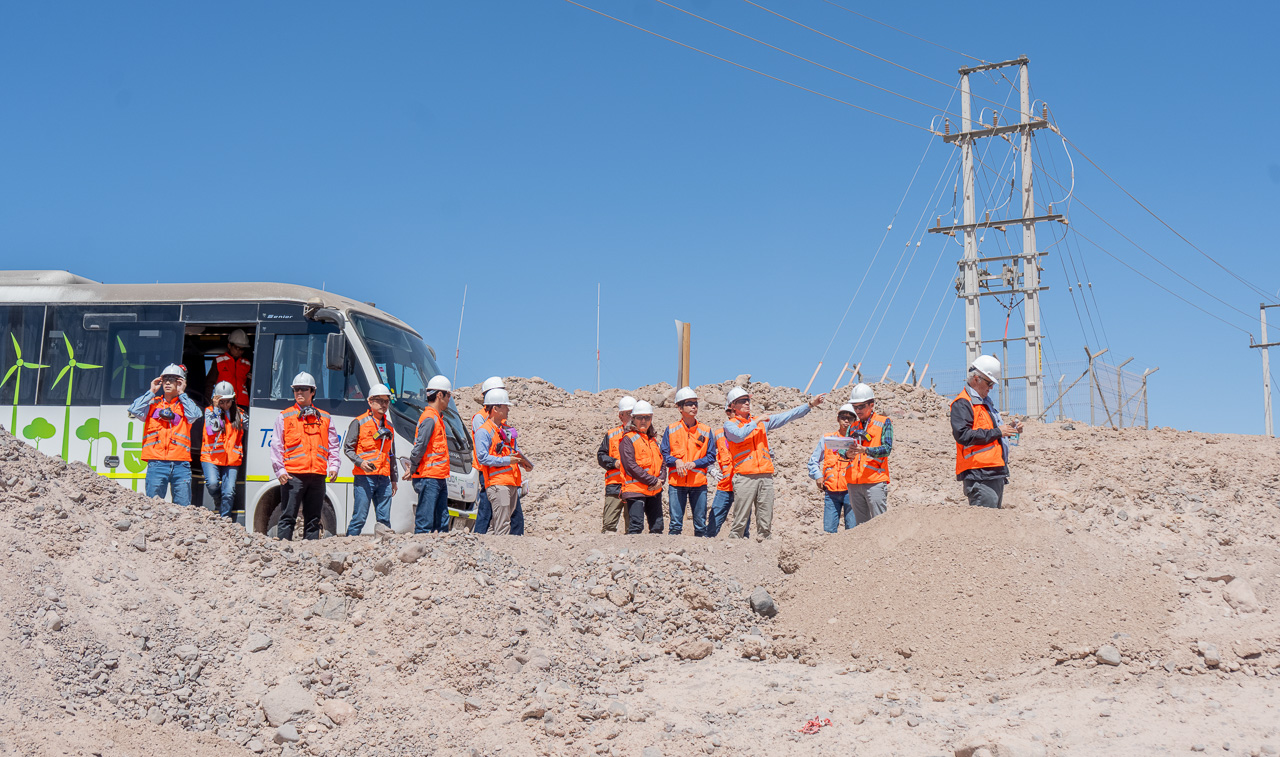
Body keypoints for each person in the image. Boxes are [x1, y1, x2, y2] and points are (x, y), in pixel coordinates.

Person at [723, 386, 825, 539]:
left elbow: (787, 416)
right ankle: (734, 545)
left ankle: (764, 543)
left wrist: (810, 405)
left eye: (747, 400)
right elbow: (739, 435)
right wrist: (756, 420)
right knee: (740, 520)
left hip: (765, 475)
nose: (747, 403)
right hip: (744, 476)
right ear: (733, 406)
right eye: (742, 401)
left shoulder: (761, 422)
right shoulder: (730, 425)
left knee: (765, 518)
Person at [270, 372, 340, 540]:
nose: (299, 392)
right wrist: (280, 470)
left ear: (313, 392)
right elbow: (276, 445)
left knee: (314, 520)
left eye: (303, 389)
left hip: (317, 475)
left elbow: (333, 445)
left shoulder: (325, 417)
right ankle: (283, 551)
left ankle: (310, 553)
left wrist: (334, 466)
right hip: (293, 476)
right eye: (296, 389)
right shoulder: (285, 416)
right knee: (288, 517)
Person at [951, 355, 1021, 508]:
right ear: (976, 379)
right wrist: (998, 432)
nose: (991, 388)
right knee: (984, 522)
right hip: (979, 475)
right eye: (989, 383)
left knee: (994, 521)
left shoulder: (984, 404)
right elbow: (963, 435)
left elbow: (990, 431)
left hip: (994, 472)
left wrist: (1010, 429)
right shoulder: (963, 403)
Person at [128, 363, 201, 506]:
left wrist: (182, 393)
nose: (167, 382)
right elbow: (134, 409)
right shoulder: (153, 403)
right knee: (154, 507)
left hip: (181, 464)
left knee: (183, 508)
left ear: (180, 382)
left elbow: (194, 415)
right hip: (157, 463)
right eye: (165, 379)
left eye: (172, 379)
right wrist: (151, 391)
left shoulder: (185, 405)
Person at [471, 376, 526, 535]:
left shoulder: (502, 424)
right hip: (492, 474)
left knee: (506, 518)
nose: (507, 408)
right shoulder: (482, 420)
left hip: (507, 477)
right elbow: (485, 452)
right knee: (488, 512)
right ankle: (482, 539)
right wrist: (507, 459)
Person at [343, 382, 398, 535]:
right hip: (364, 477)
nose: (383, 404)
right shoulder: (359, 422)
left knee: (384, 520)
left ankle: (384, 547)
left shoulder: (389, 426)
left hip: (384, 479)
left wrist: (394, 479)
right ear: (370, 401)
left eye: (386, 401)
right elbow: (348, 448)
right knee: (359, 518)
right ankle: (349, 544)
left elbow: (391, 454)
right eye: (379, 400)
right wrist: (361, 462)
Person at [660, 387, 715, 537]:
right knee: (675, 525)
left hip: (698, 483)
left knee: (700, 524)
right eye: (689, 404)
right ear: (679, 408)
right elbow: (664, 454)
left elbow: (711, 456)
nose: (694, 407)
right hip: (677, 483)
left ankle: (701, 550)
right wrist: (676, 461)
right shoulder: (671, 429)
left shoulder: (706, 430)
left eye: (695, 403)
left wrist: (695, 464)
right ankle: (673, 549)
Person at [408, 375, 454, 533]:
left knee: (441, 522)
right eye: (448, 395)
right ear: (440, 395)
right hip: (429, 477)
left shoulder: (436, 418)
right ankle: (419, 547)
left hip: (438, 476)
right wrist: (413, 467)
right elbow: (420, 447)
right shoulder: (429, 418)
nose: (449, 399)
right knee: (425, 522)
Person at [842, 383, 893, 525]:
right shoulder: (852, 427)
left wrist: (865, 450)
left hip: (874, 481)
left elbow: (887, 449)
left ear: (871, 405)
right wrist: (848, 454)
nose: (857, 410)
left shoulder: (883, 422)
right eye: (855, 407)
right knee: (861, 527)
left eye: (861, 406)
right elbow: (842, 451)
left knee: (879, 524)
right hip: (854, 483)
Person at [807, 403, 855, 533]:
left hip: (851, 491)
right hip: (831, 491)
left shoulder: (857, 441)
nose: (846, 421)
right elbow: (813, 461)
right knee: (829, 532)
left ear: (855, 421)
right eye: (843, 417)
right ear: (838, 419)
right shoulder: (828, 439)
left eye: (850, 418)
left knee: (853, 532)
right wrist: (818, 476)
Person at [200, 380, 244, 519]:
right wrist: (216, 409)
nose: (225, 405)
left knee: (229, 492)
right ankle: (218, 499)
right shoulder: (209, 411)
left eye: (228, 401)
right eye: (221, 402)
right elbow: (211, 430)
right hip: (211, 456)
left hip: (232, 458)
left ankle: (224, 519)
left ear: (233, 399)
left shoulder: (241, 414)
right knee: (212, 484)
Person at [619, 400, 664, 534]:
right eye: (640, 417)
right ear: (633, 419)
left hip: (654, 491)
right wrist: (653, 481)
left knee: (657, 527)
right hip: (636, 490)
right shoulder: (628, 439)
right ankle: (632, 549)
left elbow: (662, 462)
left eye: (647, 417)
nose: (643, 421)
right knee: (636, 526)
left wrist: (661, 480)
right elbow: (630, 466)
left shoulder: (653, 440)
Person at [595, 396, 635, 533]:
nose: (632, 417)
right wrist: (614, 462)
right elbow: (601, 456)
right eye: (628, 413)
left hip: (634, 486)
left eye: (634, 413)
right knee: (609, 525)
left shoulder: (642, 435)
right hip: (615, 485)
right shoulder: (611, 435)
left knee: (633, 528)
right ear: (620, 416)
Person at [706, 405, 746, 538]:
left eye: (735, 410)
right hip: (726, 484)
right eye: (729, 410)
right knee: (714, 519)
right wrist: (711, 469)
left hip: (744, 483)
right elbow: (708, 453)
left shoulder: (748, 430)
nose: (732, 413)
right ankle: (708, 544)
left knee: (743, 520)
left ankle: (744, 545)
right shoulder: (719, 434)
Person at [206, 329, 252, 408]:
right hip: (224, 403)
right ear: (229, 346)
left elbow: (250, 386)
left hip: (243, 404)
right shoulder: (219, 361)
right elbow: (209, 384)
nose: (240, 351)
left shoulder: (247, 363)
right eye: (237, 348)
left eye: (242, 349)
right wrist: (209, 403)